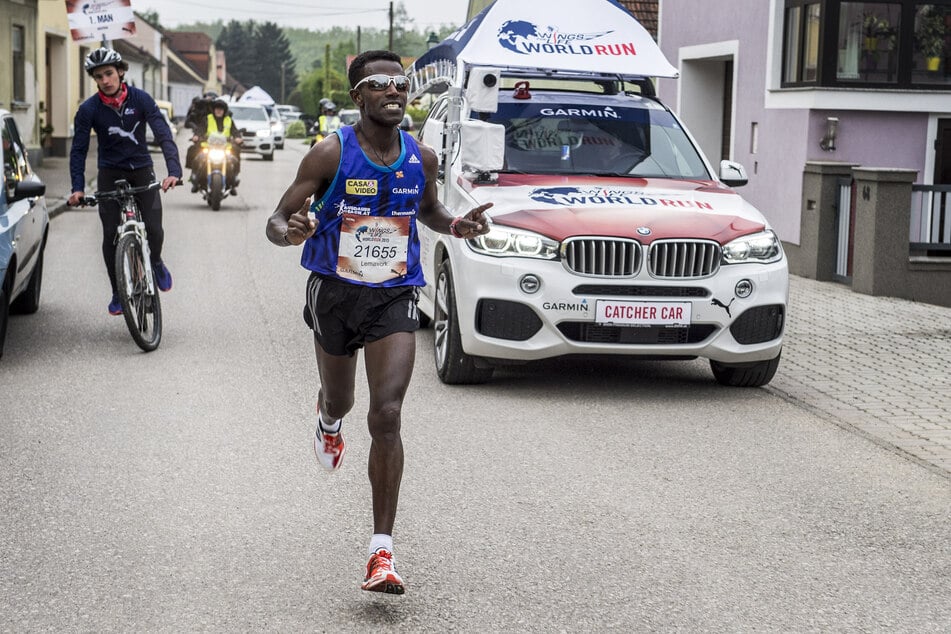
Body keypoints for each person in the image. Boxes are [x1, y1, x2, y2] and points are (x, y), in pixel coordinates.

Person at [265, 49, 492, 595]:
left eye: (401, 83)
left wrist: (456, 225)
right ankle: (328, 420)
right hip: (335, 294)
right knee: (341, 400)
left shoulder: (422, 158)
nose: (394, 90)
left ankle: (380, 552)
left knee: (387, 414)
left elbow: (428, 210)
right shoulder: (330, 153)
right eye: (380, 83)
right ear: (358, 97)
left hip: (394, 293)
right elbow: (276, 218)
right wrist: (290, 232)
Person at [68, 47, 181, 316]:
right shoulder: (89, 109)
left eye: (109, 73)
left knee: (154, 228)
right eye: (98, 77)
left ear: (120, 72)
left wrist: (173, 171)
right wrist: (77, 188)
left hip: (141, 169)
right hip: (110, 173)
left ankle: (155, 261)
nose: (105, 80)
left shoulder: (141, 99)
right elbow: (79, 150)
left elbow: (163, 134)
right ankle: (118, 292)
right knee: (110, 234)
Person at [190, 98, 243, 195]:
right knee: (197, 158)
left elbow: (235, 131)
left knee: (235, 159)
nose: (219, 111)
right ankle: (195, 180)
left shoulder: (229, 120)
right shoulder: (207, 119)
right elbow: (200, 129)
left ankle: (233, 182)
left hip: (225, 148)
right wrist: (196, 136)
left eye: (221, 109)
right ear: (214, 110)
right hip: (208, 147)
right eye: (217, 109)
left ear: (224, 111)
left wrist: (238, 138)